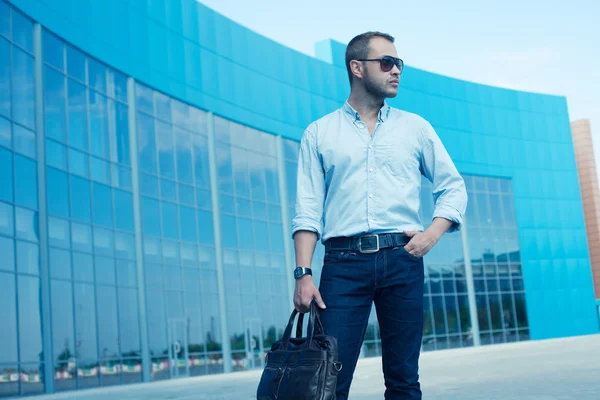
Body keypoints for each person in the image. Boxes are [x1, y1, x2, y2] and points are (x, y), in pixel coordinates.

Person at [290, 31, 468, 399]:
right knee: (326, 381)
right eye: (387, 62)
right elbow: (307, 210)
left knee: (404, 380)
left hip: (402, 260)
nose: (396, 70)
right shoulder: (319, 133)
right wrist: (303, 274)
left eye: (398, 63)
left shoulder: (415, 128)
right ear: (357, 68)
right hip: (343, 264)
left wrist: (432, 234)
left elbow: (453, 186)